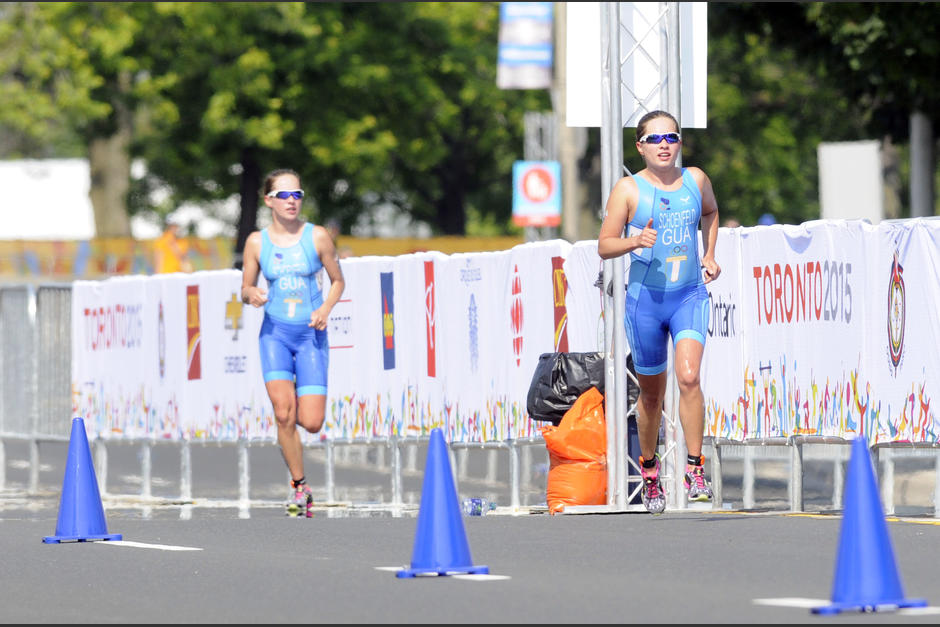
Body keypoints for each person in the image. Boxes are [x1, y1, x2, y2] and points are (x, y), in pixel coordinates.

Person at [596, 110, 720, 514]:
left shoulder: (695, 180)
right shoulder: (628, 190)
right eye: (655, 139)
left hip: (688, 296)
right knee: (651, 395)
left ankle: (694, 467)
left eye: (672, 137)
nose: (664, 144)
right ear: (640, 146)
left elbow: (711, 212)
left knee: (688, 377)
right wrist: (635, 242)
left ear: (680, 142)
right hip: (645, 302)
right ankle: (650, 471)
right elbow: (604, 244)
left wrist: (710, 254)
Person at [240, 168, 346, 517]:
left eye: (297, 195)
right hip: (275, 336)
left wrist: (326, 308)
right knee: (284, 413)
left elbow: (337, 281)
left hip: (310, 335)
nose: (291, 202)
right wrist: (252, 293)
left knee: (311, 421)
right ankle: (300, 487)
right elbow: (245, 288)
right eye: (284, 196)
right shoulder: (257, 242)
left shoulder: (316, 237)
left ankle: (296, 428)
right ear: (268, 200)